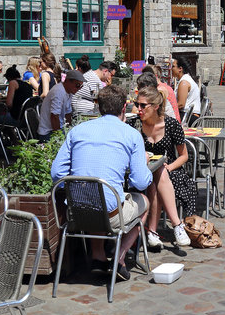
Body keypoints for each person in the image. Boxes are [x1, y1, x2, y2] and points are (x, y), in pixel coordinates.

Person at [50, 85, 152, 282]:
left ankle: (98, 257)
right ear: (124, 108)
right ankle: (119, 258)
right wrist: (144, 164)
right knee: (144, 202)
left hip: (77, 212)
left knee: (93, 197)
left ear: (98, 107)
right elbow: (140, 182)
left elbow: (57, 173)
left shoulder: (77, 130)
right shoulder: (131, 134)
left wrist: (73, 188)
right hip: (111, 215)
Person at [134, 85, 193, 249]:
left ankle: (153, 231)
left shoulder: (171, 125)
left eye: (142, 105)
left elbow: (184, 156)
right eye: (136, 104)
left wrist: (169, 167)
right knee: (154, 177)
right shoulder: (136, 126)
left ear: (155, 106)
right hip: (145, 173)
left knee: (158, 175)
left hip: (171, 172)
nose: (138, 109)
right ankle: (176, 225)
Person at [39, 70, 82, 140]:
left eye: (81, 86)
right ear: (68, 81)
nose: (79, 89)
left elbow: (68, 114)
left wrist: (69, 130)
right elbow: (54, 117)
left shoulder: (69, 91)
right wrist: (60, 137)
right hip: (49, 132)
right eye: (77, 85)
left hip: (59, 128)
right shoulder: (58, 92)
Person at [171, 57, 201, 123]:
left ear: (180, 69)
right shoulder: (184, 80)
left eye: (173, 66)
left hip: (188, 117)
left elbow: (181, 104)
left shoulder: (184, 82)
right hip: (187, 115)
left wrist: (167, 108)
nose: (171, 69)